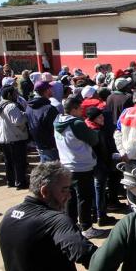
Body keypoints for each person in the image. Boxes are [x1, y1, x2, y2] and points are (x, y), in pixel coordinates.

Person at [54, 96, 107, 239]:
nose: (82, 112)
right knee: (84, 197)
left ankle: (70, 224)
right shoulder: (76, 123)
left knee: (70, 197)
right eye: (80, 109)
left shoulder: (57, 120)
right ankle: (86, 227)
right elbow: (93, 139)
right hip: (81, 166)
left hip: (66, 163)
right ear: (73, 109)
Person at [0, 85, 30, 189]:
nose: (17, 95)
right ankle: (20, 183)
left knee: (9, 162)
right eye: (15, 93)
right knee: (19, 162)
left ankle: (10, 181)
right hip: (15, 138)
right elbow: (18, 121)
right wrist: (25, 115)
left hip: (4, 139)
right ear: (10, 95)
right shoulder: (11, 106)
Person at [26, 81, 60, 162]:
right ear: (46, 90)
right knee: (53, 172)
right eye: (50, 89)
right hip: (51, 146)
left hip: (39, 144)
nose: (52, 90)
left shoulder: (28, 107)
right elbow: (56, 129)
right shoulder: (49, 109)